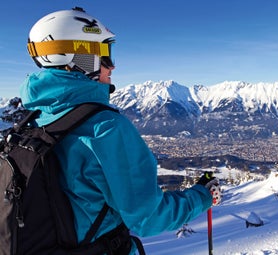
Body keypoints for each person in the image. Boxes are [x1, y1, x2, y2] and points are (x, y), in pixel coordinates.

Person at [21, 7, 220, 254]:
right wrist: (202, 196)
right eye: (105, 53)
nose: (111, 66)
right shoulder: (104, 127)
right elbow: (149, 218)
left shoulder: (31, 121)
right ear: (80, 56)